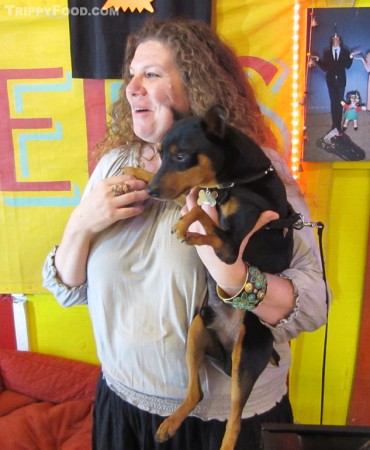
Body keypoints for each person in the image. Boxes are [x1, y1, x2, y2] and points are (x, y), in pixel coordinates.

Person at [42, 18, 328, 450]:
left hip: (217, 425)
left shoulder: (256, 174)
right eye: (131, 75)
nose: (131, 87)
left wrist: (235, 278)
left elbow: (312, 307)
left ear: (198, 85)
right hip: (122, 408)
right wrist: (83, 223)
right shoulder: (115, 166)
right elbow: (71, 292)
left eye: (151, 75)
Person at [312, 33, 359, 131]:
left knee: (340, 103)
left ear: (340, 41)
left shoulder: (345, 52)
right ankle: (335, 125)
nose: (335, 40)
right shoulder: (327, 53)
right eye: (334, 38)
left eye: (337, 38)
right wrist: (318, 60)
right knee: (333, 103)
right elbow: (325, 68)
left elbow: (348, 66)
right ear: (332, 41)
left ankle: (339, 126)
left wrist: (350, 57)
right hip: (331, 82)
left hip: (341, 82)